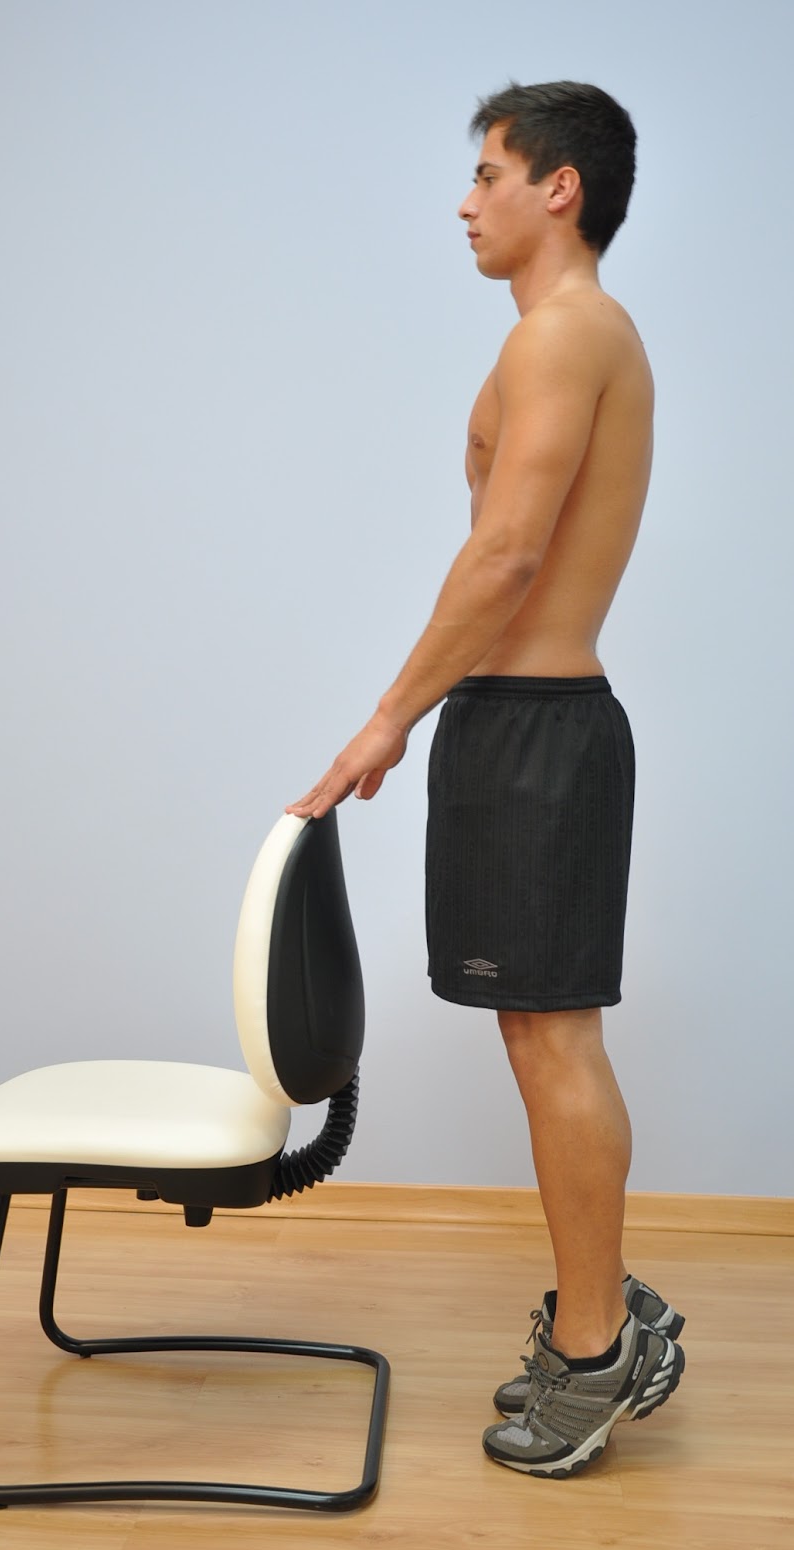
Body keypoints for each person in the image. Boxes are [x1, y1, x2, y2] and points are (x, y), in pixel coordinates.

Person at [287, 79, 685, 1478]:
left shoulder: (566, 333)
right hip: (517, 721)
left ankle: (598, 1349)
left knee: (554, 1039)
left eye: (489, 174)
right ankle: (603, 1316)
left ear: (558, 188)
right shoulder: (561, 335)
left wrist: (385, 719)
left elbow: (508, 555)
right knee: (536, 1035)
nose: (465, 203)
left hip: (538, 729)